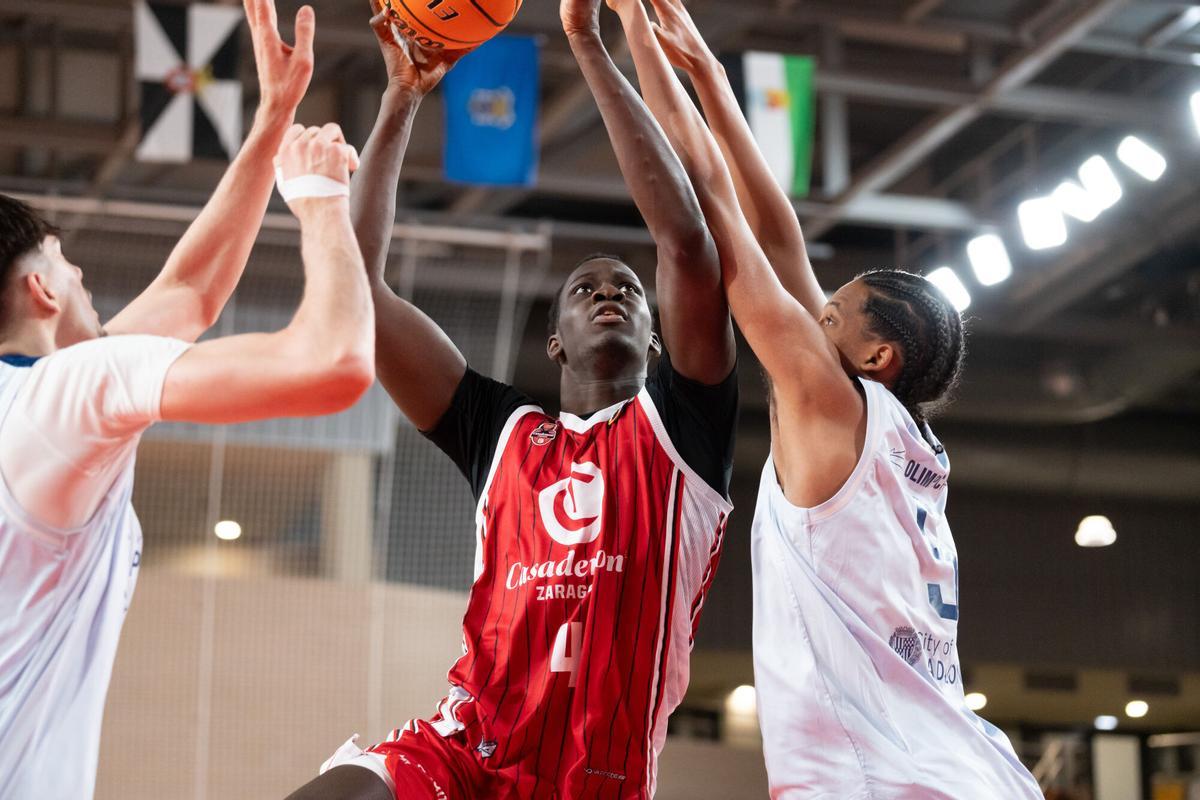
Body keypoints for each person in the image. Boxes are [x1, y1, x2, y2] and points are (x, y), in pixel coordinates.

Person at [284, 0, 737, 797]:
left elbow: (688, 243)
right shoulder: (501, 433)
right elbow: (360, 293)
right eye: (585, 289)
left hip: (594, 780)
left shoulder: (684, 429)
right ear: (554, 341)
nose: (609, 292)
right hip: (461, 755)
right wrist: (402, 97)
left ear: (656, 343)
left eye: (629, 290)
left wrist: (587, 42)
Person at [609, 0, 1043, 796]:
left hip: (882, 780)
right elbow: (780, 237)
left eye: (832, 315)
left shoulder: (828, 402)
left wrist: (632, 28)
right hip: (964, 769)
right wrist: (704, 69)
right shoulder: (906, 438)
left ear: (878, 356)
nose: (814, 316)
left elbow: (712, 195)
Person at [0, 1, 375, 796]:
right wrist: (319, 201)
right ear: (41, 290)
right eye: (64, 261)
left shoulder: (38, 398)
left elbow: (190, 292)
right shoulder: (66, 393)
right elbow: (334, 363)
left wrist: (273, 119)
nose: (81, 276)